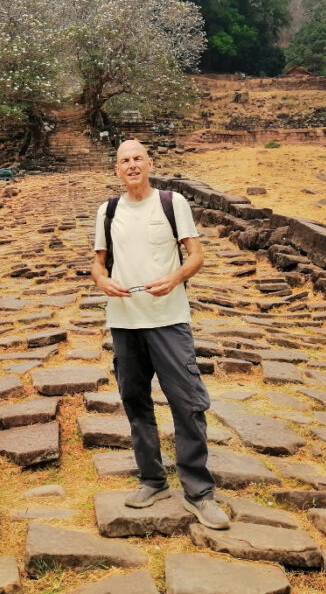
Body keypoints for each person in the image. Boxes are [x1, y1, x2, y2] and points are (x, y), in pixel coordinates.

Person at [91, 140, 230, 530]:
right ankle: (152, 479)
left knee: (187, 403)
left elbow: (197, 255)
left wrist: (176, 278)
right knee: (135, 402)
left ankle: (199, 492)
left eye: (137, 158)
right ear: (116, 169)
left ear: (149, 163)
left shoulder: (172, 203)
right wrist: (103, 282)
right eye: (124, 160)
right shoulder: (108, 211)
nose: (131, 165)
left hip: (168, 319)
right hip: (124, 321)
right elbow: (97, 265)